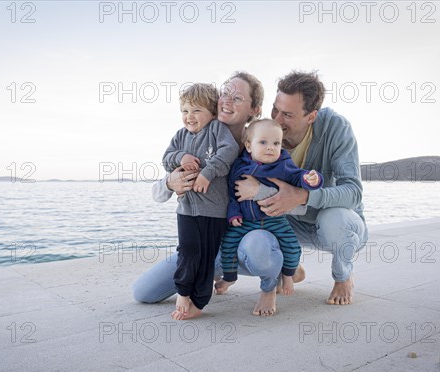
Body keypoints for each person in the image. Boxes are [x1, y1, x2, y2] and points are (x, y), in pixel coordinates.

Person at [135, 72, 296, 318]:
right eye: (224, 94)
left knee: (258, 246)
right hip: (200, 234)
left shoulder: (264, 145)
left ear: (254, 109)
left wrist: (259, 190)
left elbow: (296, 201)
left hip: (240, 237)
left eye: (238, 98)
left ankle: (271, 280)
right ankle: (218, 272)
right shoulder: (192, 137)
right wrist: (170, 182)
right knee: (143, 292)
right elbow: (158, 192)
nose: (227, 101)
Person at [228, 70, 368, 308]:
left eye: (288, 115)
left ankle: (343, 275)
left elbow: (353, 192)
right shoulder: (264, 135)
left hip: (335, 226)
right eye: (275, 110)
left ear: (311, 116)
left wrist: (303, 195)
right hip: (289, 224)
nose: (278, 120)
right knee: (244, 238)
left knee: (335, 218)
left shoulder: (336, 128)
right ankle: (288, 266)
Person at [217, 119, 322, 298]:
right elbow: (232, 193)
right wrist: (233, 213)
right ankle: (229, 277)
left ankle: (288, 275)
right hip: (246, 221)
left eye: (276, 143)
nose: (271, 147)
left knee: (291, 244)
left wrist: (312, 179)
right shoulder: (240, 166)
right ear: (249, 146)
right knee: (228, 244)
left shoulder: (282, 164)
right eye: (263, 142)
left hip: (275, 219)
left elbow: (298, 176)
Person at [161, 83, 239, 319]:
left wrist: (208, 172)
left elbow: (230, 150)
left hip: (213, 210)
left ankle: (200, 302)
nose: (189, 116)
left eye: (196, 111)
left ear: (212, 113)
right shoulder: (180, 136)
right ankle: (183, 291)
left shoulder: (217, 129)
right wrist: (180, 156)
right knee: (188, 250)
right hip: (185, 208)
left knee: (206, 256)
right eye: (185, 111)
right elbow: (166, 159)